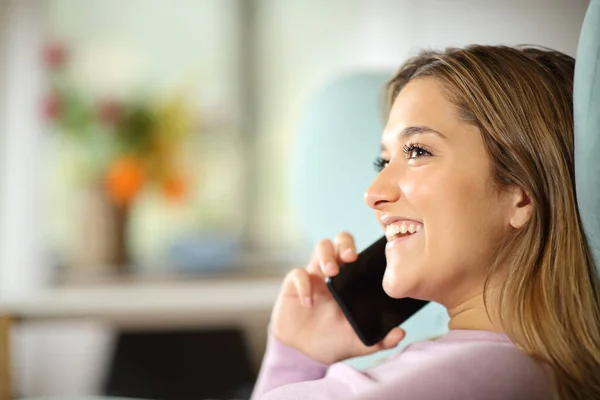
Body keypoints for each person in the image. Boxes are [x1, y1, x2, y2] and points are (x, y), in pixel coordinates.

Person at [250, 45, 600, 400]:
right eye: (383, 162)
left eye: (418, 151)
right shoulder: (518, 368)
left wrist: (290, 359)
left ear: (521, 194)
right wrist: (301, 349)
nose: (373, 192)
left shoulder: (471, 377)